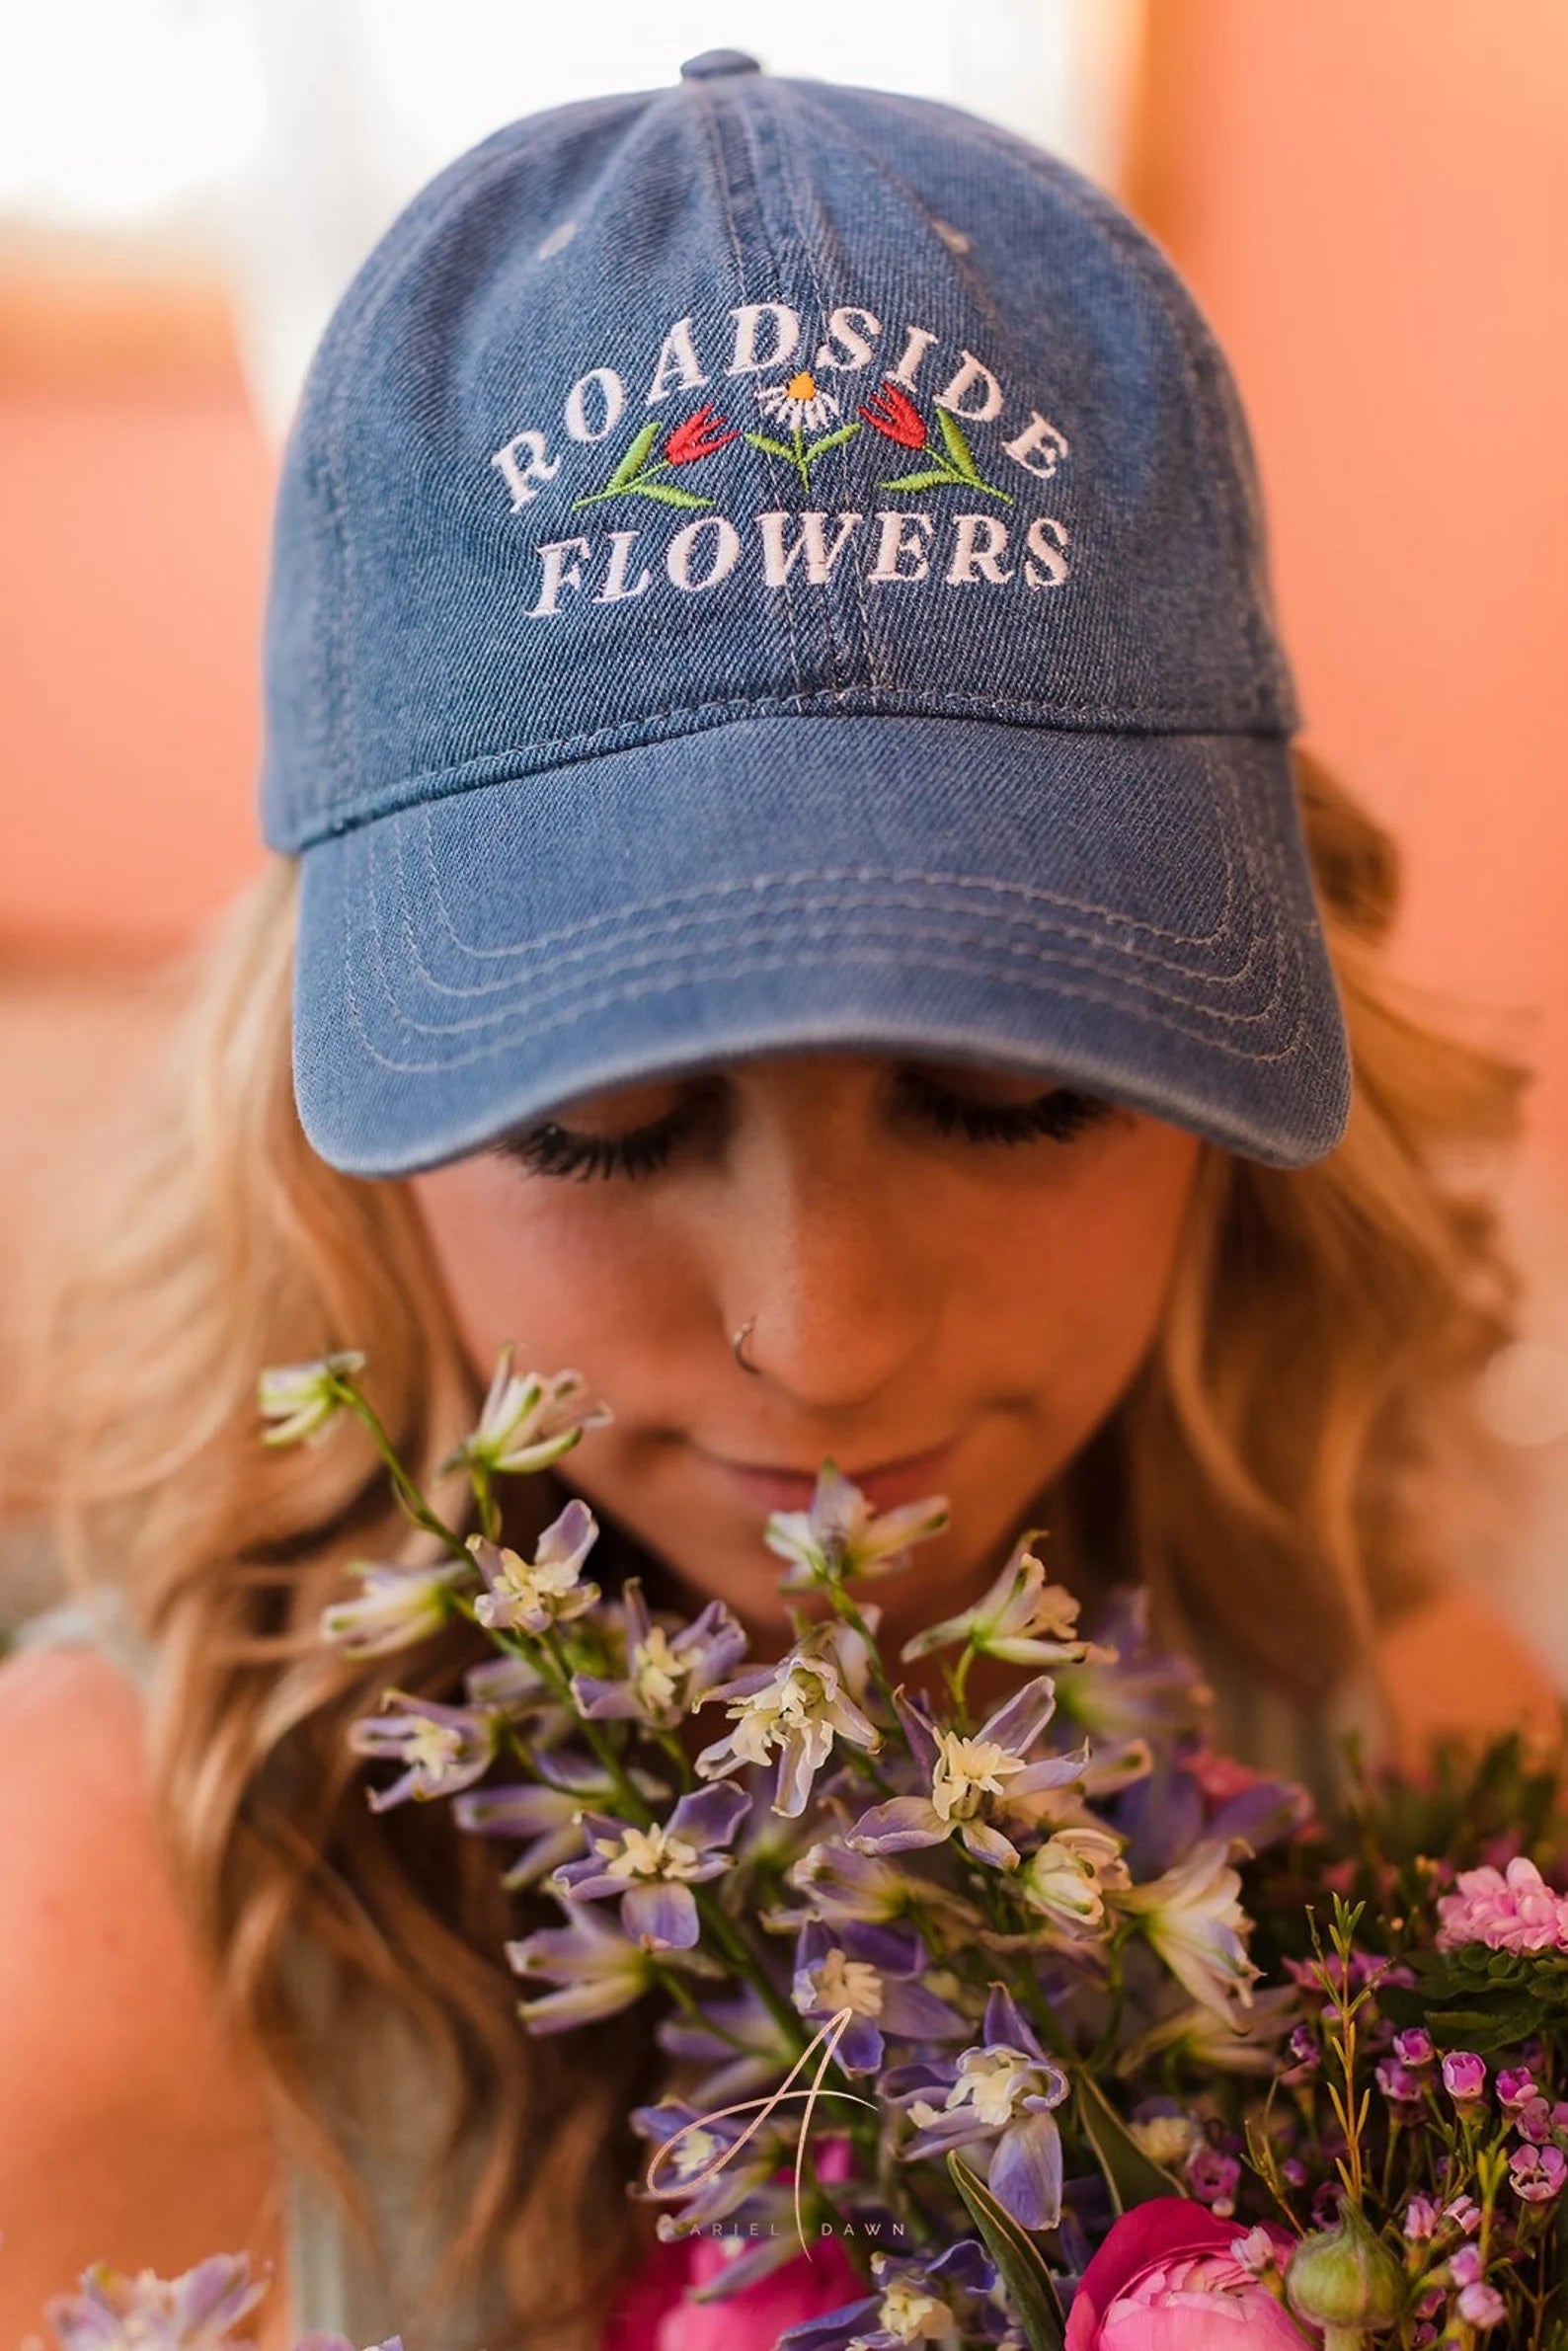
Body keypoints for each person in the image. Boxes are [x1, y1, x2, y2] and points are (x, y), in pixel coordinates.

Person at [0, 46, 1553, 2351]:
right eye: (605, 1125)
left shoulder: (1409, 1766)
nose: (821, 1342)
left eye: (1009, 1096)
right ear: (324, 1126)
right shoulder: (95, 1935)